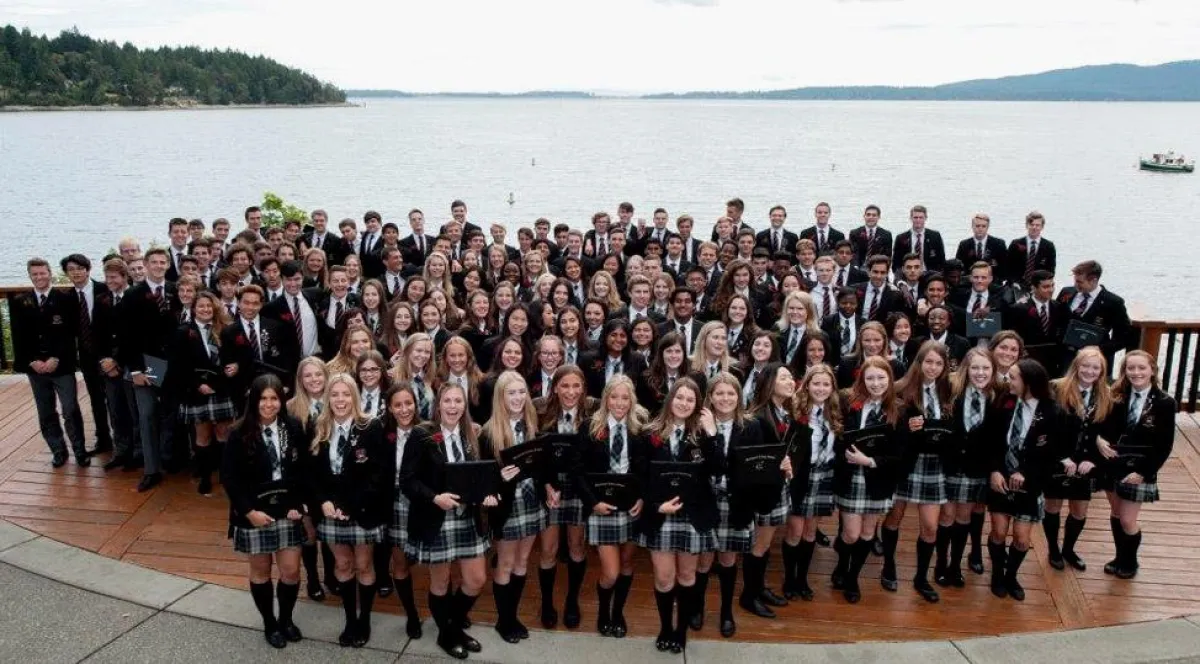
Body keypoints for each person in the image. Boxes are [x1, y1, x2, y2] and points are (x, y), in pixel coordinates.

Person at [402, 382, 497, 660]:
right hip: (436, 518)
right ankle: (448, 634)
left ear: (464, 405)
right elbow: (407, 480)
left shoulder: (472, 434)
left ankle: (451, 627)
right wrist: (435, 498)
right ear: (438, 405)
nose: (453, 406)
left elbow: (481, 475)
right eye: (448, 401)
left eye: (458, 401)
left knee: (476, 579)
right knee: (441, 582)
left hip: (468, 518)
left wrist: (487, 495)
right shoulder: (422, 434)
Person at [221, 374, 308, 648]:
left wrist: (298, 504)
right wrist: (248, 512)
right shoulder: (238, 432)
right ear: (254, 400)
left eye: (274, 398)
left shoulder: (293, 427)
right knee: (260, 571)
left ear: (282, 400)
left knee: (291, 571)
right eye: (263, 399)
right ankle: (270, 624)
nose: (269, 404)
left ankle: (286, 620)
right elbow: (229, 478)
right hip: (254, 513)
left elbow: (303, 470)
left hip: (287, 512)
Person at [637, 377, 717, 654]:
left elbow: (717, 469)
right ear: (670, 399)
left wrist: (713, 433)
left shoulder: (702, 435)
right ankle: (665, 628)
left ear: (697, 404)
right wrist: (656, 506)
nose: (684, 403)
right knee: (663, 578)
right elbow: (639, 477)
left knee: (686, 575)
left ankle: (681, 630)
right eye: (679, 397)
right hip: (660, 515)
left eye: (690, 399)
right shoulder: (650, 433)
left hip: (691, 514)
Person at [308, 373, 387, 648]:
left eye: (345, 394)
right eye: (334, 394)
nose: (340, 400)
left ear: (354, 396)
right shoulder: (318, 426)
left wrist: (352, 506)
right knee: (342, 564)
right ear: (327, 398)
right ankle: (350, 620)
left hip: (363, 510)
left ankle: (364, 619)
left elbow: (378, 475)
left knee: (363, 565)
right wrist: (323, 501)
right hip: (331, 512)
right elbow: (311, 474)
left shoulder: (370, 426)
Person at [575, 375, 648, 639]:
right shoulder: (590, 427)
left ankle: (618, 613)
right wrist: (592, 503)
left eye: (625, 398)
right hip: (602, 506)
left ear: (632, 400)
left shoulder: (640, 428)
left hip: (631, 507)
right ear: (606, 399)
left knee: (627, 564)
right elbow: (577, 470)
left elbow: (647, 468)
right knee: (611, 572)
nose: (619, 403)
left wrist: (642, 498)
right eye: (614, 397)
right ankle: (603, 611)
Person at [881, 341, 953, 604]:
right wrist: (905, 427)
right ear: (919, 363)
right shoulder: (900, 389)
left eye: (938, 363)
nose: (933, 367)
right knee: (894, 516)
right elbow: (887, 429)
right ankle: (888, 565)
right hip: (905, 462)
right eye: (928, 362)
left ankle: (921, 577)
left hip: (934, 464)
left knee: (931, 526)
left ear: (944, 367)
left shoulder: (949, 391)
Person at [479, 371, 547, 644]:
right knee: (506, 562)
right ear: (501, 397)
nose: (518, 398)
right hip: (508, 505)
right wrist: (500, 478)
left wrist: (549, 486)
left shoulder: (532, 424)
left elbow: (541, 465)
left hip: (531, 501)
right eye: (511, 393)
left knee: (522, 561)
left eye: (521, 392)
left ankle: (513, 615)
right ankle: (504, 619)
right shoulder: (489, 432)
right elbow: (484, 478)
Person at [1096, 351, 1175, 580]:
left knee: (1127, 520)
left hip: (1140, 468)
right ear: (1124, 371)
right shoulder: (1116, 397)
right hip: (1113, 464)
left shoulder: (1165, 403)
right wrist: (1098, 440)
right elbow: (1100, 426)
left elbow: (1165, 445)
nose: (1136, 373)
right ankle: (1119, 557)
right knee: (1115, 513)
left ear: (1152, 370)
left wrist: (1143, 472)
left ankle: (1130, 561)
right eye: (1131, 368)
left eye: (1141, 368)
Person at [987, 359, 1059, 601]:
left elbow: (1051, 454)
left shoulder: (1052, 411)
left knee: (1021, 538)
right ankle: (997, 575)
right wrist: (995, 471)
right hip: (1001, 478)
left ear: (1028, 381)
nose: (1008, 380)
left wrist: (1025, 472)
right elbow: (992, 441)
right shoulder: (1003, 402)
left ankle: (1011, 576)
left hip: (1031, 482)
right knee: (998, 531)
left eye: (1013, 377)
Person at [833, 356, 903, 603]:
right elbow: (837, 436)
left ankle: (852, 577)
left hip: (878, 478)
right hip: (851, 476)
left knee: (867, 533)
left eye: (881, 378)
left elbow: (899, 455)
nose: (876, 383)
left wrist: (870, 461)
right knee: (851, 533)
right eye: (870, 378)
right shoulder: (848, 403)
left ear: (890, 379)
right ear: (861, 379)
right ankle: (842, 563)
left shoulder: (898, 409)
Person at [533, 364, 596, 630]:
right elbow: (535, 455)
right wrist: (546, 484)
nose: (571, 392)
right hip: (550, 485)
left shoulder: (593, 414)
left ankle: (572, 600)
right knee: (548, 549)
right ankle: (547, 602)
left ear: (583, 389)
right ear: (555, 388)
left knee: (576, 546)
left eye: (576, 386)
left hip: (579, 486)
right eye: (565, 386)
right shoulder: (540, 412)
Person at [12, 258, 88, 468]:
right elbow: (18, 337)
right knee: (46, 411)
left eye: (42, 273)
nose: (39, 277)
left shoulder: (66, 299)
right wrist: (32, 360)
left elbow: (71, 334)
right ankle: (58, 450)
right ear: (30, 276)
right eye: (35, 274)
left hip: (61, 366)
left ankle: (80, 450)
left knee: (70, 409)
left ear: (50, 273)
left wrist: (56, 357)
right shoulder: (20, 302)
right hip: (36, 368)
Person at [1044, 347, 1112, 572]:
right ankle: (1053, 549)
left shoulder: (1105, 395)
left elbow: (1108, 432)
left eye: (1095, 368)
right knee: (1053, 506)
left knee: (1079, 510)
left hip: (1086, 461)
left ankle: (1068, 549)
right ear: (1076, 366)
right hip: (1057, 457)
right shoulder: (1056, 387)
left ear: (1101, 371)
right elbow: (1045, 425)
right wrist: (1061, 457)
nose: (1090, 371)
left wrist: (1093, 460)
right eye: (1085, 366)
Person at [937, 348, 999, 587]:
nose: (980, 373)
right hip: (949, 465)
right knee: (946, 516)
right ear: (966, 369)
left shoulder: (997, 398)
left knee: (964, 517)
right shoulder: (952, 393)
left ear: (993, 370)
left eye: (985, 368)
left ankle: (955, 565)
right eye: (975, 368)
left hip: (976, 467)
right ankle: (941, 563)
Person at [780, 364, 841, 602]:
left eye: (826, 384)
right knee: (795, 530)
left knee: (810, 531)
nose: (821, 389)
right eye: (816, 384)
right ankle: (789, 578)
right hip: (800, 475)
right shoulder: (796, 410)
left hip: (823, 475)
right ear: (807, 385)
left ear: (832, 387)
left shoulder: (835, 411)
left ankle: (802, 579)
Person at [173, 291, 236, 495]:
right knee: (203, 435)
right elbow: (179, 365)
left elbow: (231, 359)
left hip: (221, 389)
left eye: (209, 306)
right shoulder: (183, 332)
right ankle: (205, 477)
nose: (205, 309)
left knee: (224, 433)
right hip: (196, 391)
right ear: (193, 309)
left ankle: (226, 476)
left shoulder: (225, 329)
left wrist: (220, 381)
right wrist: (197, 385)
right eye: (201, 306)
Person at [380, 383, 425, 639]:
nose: (404, 409)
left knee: (434, 562)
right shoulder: (383, 434)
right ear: (389, 408)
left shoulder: (428, 431)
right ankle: (412, 615)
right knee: (400, 562)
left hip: (422, 501)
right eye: (397, 405)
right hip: (395, 503)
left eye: (409, 403)